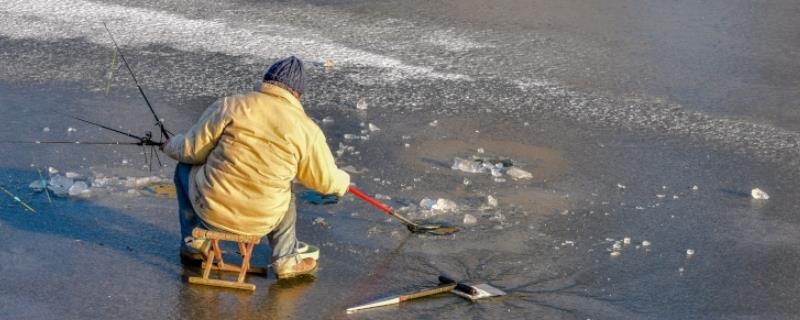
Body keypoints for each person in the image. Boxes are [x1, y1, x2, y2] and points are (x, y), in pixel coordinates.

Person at [161, 56, 350, 279]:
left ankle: (194, 244)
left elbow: (190, 151)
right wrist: (343, 182)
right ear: (297, 93)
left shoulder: (230, 106)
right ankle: (285, 259)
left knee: (185, 168)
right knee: (285, 191)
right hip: (262, 220)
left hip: (210, 209)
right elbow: (326, 181)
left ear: (266, 80)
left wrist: (169, 144)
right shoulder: (306, 128)